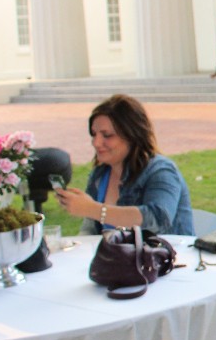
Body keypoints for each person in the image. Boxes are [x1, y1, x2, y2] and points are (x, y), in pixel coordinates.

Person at [54, 94, 195, 235]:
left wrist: (93, 209)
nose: (96, 143)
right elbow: (90, 230)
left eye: (107, 135)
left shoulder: (161, 170)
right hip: (118, 250)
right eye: (94, 134)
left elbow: (158, 219)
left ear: (131, 135)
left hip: (168, 249)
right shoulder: (100, 175)